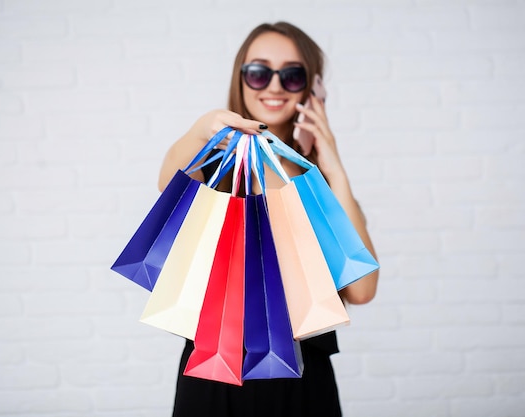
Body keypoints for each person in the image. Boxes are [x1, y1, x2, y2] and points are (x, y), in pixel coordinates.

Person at [158, 21, 379, 417]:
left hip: (303, 379)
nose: (274, 86)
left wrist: (334, 168)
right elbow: (167, 184)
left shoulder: (319, 183)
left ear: (313, 90)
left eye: (291, 75)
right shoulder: (212, 164)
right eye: (259, 72)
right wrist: (201, 129)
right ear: (240, 79)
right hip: (214, 375)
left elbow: (361, 290)